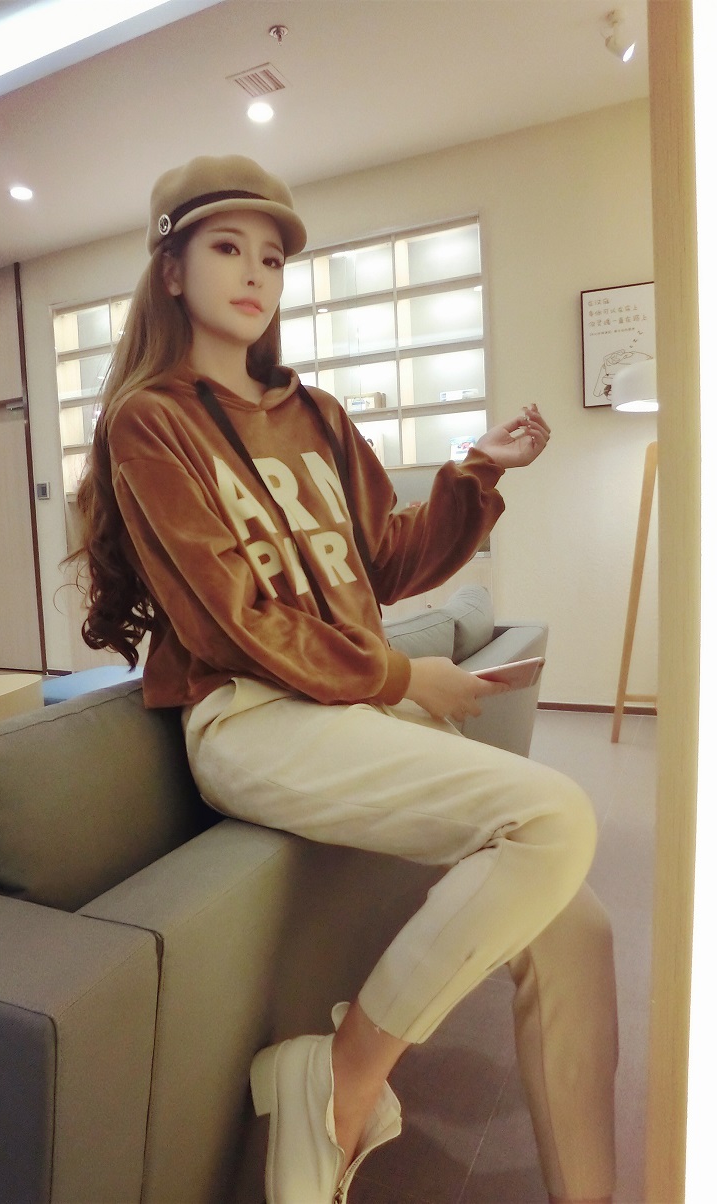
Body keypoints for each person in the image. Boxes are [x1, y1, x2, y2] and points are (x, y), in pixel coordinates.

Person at [74, 155, 618, 1204]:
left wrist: (477, 469)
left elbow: (385, 561)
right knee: (557, 817)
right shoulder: (150, 421)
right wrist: (399, 674)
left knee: (578, 927)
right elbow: (227, 618)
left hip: (350, 710)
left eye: (272, 257)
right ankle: (343, 1077)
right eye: (226, 247)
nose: (255, 272)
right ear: (171, 269)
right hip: (252, 718)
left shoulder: (316, 414)